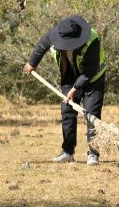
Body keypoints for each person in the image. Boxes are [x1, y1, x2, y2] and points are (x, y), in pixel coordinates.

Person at [23, 15, 107, 165]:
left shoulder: (92, 41)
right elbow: (42, 46)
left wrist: (75, 89)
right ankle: (68, 152)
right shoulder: (55, 34)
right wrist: (32, 63)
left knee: (92, 114)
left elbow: (89, 73)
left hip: (93, 77)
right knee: (67, 111)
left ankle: (93, 154)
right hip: (69, 75)